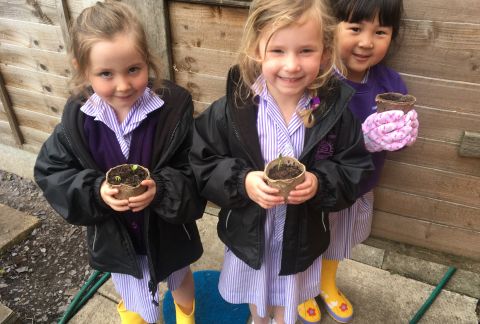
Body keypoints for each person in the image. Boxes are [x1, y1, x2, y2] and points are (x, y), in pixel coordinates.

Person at [189, 1, 374, 323]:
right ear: (256, 48)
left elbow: (354, 168)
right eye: (278, 50)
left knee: (287, 303)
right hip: (251, 236)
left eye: (305, 51)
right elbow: (202, 161)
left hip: (300, 238)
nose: (291, 65)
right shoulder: (233, 109)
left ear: (325, 52)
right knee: (257, 302)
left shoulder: (334, 113)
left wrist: (321, 183)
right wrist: (242, 181)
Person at [33, 2, 205, 323]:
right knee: (135, 295)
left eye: (133, 70)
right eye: (106, 74)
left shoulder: (173, 108)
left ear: (147, 60)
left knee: (180, 278)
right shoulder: (78, 120)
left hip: (167, 229)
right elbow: (51, 171)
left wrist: (163, 189)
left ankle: (186, 317)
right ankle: (138, 317)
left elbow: (195, 165)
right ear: (84, 70)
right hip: (117, 237)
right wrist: (97, 191)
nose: (123, 85)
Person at [297, 0, 419, 322]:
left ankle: (326, 284)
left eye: (380, 31)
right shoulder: (317, 81)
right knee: (309, 239)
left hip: (360, 187)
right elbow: (302, 139)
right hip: (315, 190)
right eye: (355, 28)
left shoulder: (390, 85)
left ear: (392, 35)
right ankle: (303, 288)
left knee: (339, 241)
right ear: (330, 28)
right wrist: (358, 141)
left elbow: (392, 145)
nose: (367, 42)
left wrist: (400, 136)